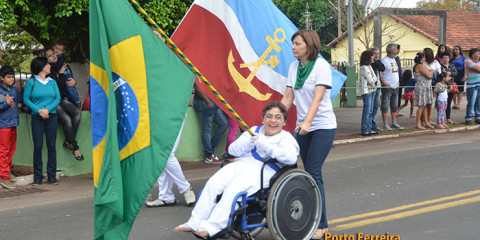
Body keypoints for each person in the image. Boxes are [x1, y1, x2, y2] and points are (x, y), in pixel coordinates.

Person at [174, 101, 299, 239]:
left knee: (233, 190)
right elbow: (233, 150)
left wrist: (267, 147)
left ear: (284, 122)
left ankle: (213, 227)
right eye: (269, 116)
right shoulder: (253, 131)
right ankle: (194, 222)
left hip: (262, 170)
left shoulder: (285, 138)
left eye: (278, 117)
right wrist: (248, 142)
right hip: (240, 164)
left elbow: (291, 158)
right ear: (263, 119)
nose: (273, 120)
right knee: (213, 184)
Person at [280, 29, 336, 239]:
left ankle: (322, 225)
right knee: (303, 173)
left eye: (297, 43)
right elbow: (288, 97)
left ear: (310, 45)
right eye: (293, 43)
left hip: (322, 126)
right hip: (303, 126)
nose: (293, 47)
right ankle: (310, 218)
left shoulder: (321, 66)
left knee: (313, 172)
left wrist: (307, 122)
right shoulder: (294, 67)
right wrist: (273, 117)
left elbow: (318, 99)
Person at [145, 26, 196, 208]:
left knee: (166, 153)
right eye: (151, 37)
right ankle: (166, 196)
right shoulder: (146, 61)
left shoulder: (173, 60)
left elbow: (187, 80)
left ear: (165, 40)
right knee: (161, 154)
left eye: (158, 37)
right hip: (157, 113)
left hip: (174, 111)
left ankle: (186, 189)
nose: (155, 40)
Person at [23, 57, 61, 185]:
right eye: (47, 64)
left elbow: (58, 98)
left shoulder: (52, 82)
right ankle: (38, 177)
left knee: (51, 147)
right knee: (38, 147)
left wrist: (47, 110)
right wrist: (39, 111)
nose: (50, 66)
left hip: (52, 117)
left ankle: (52, 176)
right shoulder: (31, 82)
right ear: (41, 66)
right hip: (37, 118)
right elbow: (26, 99)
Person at [45, 49, 84, 160]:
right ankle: (75, 148)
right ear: (46, 60)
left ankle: (69, 141)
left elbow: (68, 81)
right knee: (66, 119)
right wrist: (61, 74)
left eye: (54, 53)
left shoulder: (61, 65)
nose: (54, 56)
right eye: (50, 56)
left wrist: (73, 80)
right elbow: (60, 85)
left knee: (77, 113)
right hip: (51, 101)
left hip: (61, 99)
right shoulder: (48, 70)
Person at [193, 84, 229, 163]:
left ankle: (211, 147)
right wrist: (208, 102)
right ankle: (208, 156)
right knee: (206, 129)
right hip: (204, 102)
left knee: (224, 124)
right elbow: (198, 88)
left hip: (213, 102)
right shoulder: (201, 72)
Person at [0, 66, 19, 190]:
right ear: (2, 78)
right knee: (4, 151)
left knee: (11, 150)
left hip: (13, 123)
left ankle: (8, 170)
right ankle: (3, 176)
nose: (11, 79)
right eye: (8, 77)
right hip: (3, 124)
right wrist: (6, 103)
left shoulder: (14, 90)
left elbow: (18, 102)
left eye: (12, 77)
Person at [380, 43, 404, 131]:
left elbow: (396, 72)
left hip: (395, 86)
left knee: (394, 106)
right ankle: (385, 124)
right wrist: (384, 82)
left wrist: (398, 82)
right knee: (385, 105)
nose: (397, 51)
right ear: (391, 50)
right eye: (396, 49)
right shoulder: (384, 60)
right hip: (387, 86)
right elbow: (380, 73)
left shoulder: (394, 60)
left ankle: (394, 122)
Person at [51, 43, 81, 108]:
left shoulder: (61, 57)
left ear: (63, 52)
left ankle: (77, 102)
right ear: (53, 47)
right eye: (56, 48)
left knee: (70, 88)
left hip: (67, 74)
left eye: (59, 49)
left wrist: (51, 64)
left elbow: (58, 66)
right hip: (64, 76)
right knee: (67, 90)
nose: (57, 50)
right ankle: (74, 103)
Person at [413, 52, 434, 129]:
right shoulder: (419, 66)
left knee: (424, 105)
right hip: (421, 87)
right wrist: (431, 72)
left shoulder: (422, 65)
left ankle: (426, 122)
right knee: (421, 106)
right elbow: (429, 75)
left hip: (425, 87)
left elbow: (430, 70)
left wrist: (430, 71)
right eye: (424, 57)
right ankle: (418, 123)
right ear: (422, 58)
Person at [359, 50, 378, 136]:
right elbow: (371, 80)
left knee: (371, 111)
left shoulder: (370, 67)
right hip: (367, 91)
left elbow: (375, 78)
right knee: (367, 111)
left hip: (372, 89)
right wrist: (373, 80)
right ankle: (365, 129)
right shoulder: (364, 67)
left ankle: (370, 128)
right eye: (372, 56)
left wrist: (373, 80)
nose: (373, 58)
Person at [423, 47, 442, 125]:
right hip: (424, 84)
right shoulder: (423, 63)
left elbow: (439, 72)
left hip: (433, 84)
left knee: (430, 102)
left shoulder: (435, 62)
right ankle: (423, 119)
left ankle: (428, 118)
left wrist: (432, 72)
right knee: (424, 103)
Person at [439, 51, 458, 124]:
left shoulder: (452, 65)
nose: (446, 59)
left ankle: (448, 118)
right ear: (441, 59)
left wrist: (449, 74)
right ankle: (440, 118)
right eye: (444, 58)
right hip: (442, 87)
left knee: (449, 103)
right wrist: (447, 76)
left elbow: (456, 73)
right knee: (441, 103)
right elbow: (440, 75)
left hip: (450, 86)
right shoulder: (440, 66)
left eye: (447, 58)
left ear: (449, 59)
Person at [370, 47, 385, 132]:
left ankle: (373, 123)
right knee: (371, 107)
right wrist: (375, 61)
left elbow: (382, 68)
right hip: (372, 87)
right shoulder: (370, 63)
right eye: (375, 53)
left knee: (376, 106)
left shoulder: (378, 62)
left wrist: (377, 60)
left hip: (378, 86)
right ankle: (371, 124)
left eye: (378, 53)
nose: (376, 55)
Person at [464, 48, 480, 124]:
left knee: (478, 102)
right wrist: (477, 70)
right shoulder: (468, 62)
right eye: (478, 54)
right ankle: (469, 118)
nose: (479, 56)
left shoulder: (478, 62)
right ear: (473, 55)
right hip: (472, 86)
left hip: (479, 84)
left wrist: (475, 70)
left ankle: (478, 117)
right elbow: (478, 69)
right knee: (471, 102)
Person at [451, 45, 467, 109]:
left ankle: (458, 104)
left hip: (461, 73)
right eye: (454, 49)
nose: (455, 51)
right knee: (454, 89)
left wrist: (465, 76)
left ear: (460, 50)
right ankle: (454, 103)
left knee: (460, 90)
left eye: (457, 49)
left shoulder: (463, 57)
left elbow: (465, 67)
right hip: (454, 74)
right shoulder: (452, 58)